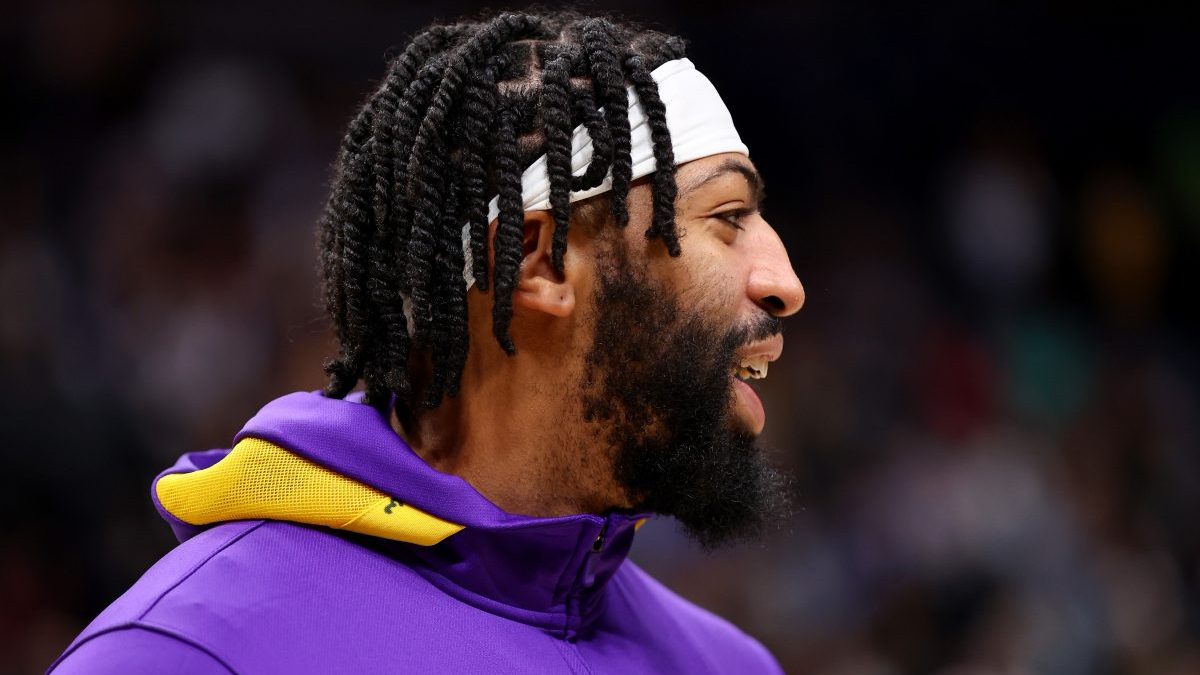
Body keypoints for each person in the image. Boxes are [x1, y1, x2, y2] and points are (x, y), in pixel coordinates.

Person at [48, 10, 804, 674]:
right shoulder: (187, 652)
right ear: (540, 261)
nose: (785, 282)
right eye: (727, 217)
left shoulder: (728, 663)